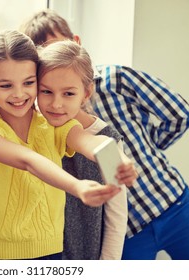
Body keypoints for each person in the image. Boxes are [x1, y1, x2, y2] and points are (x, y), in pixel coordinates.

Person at [21, 9, 189, 260]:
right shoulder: (47, 124)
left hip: (170, 203)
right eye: (46, 58)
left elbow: (178, 115)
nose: (57, 62)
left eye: (59, 48)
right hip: (129, 231)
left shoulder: (115, 82)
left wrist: (146, 151)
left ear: (75, 43)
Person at [0, 30, 137, 260]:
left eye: (28, 83)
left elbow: (89, 139)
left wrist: (118, 160)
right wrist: (77, 187)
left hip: (52, 254)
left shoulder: (52, 127)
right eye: (6, 85)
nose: (18, 94)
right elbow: (28, 161)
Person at [37, 40, 127, 260]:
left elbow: (117, 218)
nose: (56, 104)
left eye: (68, 94)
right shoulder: (31, 127)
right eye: (46, 91)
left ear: (86, 93)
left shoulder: (106, 139)